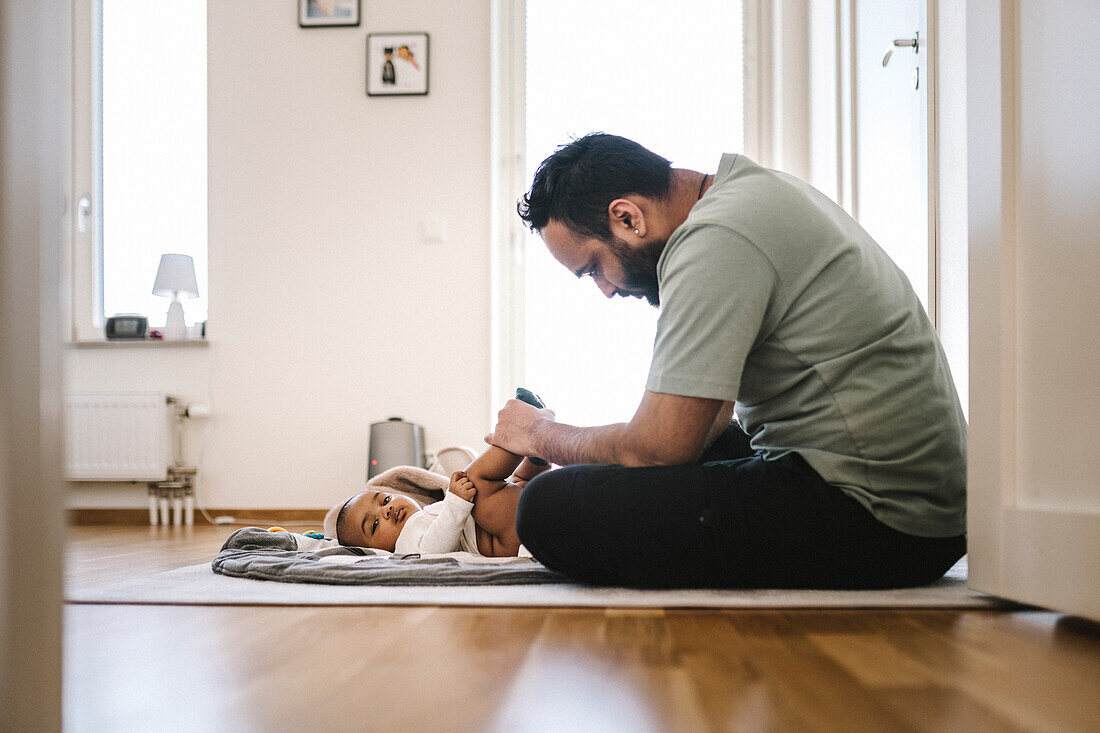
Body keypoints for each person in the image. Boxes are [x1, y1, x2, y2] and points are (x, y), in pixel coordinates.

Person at [487, 132, 968, 590]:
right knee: (643, 466)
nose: (607, 289)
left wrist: (538, 434)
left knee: (546, 508)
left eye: (594, 267)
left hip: (881, 520)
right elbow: (707, 420)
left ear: (628, 217)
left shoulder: (715, 239)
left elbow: (658, 447)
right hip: (921, 508)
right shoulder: (744, 197)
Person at [330, 441, 549, 557]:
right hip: (501, 540)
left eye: (385, 500)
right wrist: (456, 502)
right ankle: (519, 439)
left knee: (517, 483)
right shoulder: (405, 548)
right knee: (475, 480)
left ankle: (534, 458)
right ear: (377, 550)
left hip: (501, 526)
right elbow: (433, 551)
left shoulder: (421, 517)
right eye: (375, 524)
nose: (386, 511)